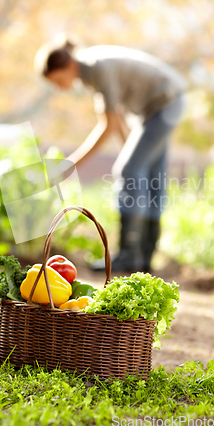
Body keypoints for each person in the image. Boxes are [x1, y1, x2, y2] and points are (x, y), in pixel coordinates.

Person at [36, 39, 186, 272]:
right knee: (148, 176)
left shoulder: (97, 68)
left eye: (58, 80)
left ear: (68, 67)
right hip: (160, 107)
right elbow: (116, 120)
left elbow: (109, 125)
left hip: (165, 103)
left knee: (128, 171)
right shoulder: (91, 72)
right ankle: (143, 258)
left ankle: (130, 254)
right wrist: (131, 154)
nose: (59, 87)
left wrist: (71, 165)